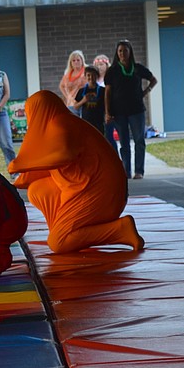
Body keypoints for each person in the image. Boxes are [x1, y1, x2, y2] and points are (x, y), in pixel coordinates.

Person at [9, 90, 144, 253]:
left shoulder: (62, 123)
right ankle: (64, 227)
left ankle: (120, 231)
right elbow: (47, 166)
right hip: (81, 190)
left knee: (58, 243)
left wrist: (22, 164)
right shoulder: (55, 126)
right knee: (38, 190)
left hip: (101, 193)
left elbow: (64, 155)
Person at [105, 39, 157, 179]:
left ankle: (139, 171)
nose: (123, 53)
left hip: (136, 110)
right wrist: (108, 111)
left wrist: (146, 91)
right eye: (120, 51)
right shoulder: (112, 71)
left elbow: (153, 79)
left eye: (125, 50)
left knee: (139, 140)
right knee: (124, 142)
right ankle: (126, 172)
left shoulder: (138, 68)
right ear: (117, 53)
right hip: (118, 111)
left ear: (130, 52)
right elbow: (108, 92)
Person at [92, 54, 117, 150]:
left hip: (108, 110)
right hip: (97, 111)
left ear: (107, 65)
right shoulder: (93, 80)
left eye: (102, 64)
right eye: (97, 65)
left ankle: (115, 157)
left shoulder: (110, 78)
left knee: (109, 136)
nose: (99, 67)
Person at [74, 66, 106, 134]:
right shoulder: (82, 91)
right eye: (88, 75)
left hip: (99, 122)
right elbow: (75, 106)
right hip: (86, 122)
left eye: (93, 75)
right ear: (85, 76)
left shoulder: (102, 90)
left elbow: (107, 105)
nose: (91, 77)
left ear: (97, 76)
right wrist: (83, 100)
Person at [59, 50, 87, 115]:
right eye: (73, 60)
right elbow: (61, 86)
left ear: (82, 61)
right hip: (70, 103)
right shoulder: (68, 73)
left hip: (83, 103)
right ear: (70, 62)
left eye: (78, 60)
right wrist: (67, 96)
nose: (76, 62)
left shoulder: (86, 71)